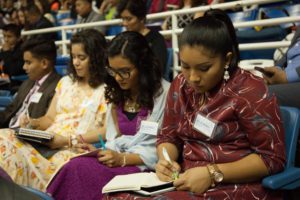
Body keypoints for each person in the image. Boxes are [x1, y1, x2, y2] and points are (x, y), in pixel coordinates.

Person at [106, 9, 285, 199]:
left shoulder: (249, 90)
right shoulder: (180, 85)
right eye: (185, 66)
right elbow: (167, 137)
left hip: (235, 185)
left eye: (204, 68)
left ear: (227, 59)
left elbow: (271, 159)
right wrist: (166, 160)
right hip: (186, 180)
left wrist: (212, 173)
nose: (193, 78)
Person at [46, 31, 170, 200]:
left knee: (82, 171)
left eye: (125, 71)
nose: (118, 78)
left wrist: (122, 158)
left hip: (143, 167)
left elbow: (161, 148)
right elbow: (114, 139)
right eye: (113, 71)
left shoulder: (165, 94)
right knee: (74, 165)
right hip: (118, 160)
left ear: (143, 65)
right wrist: (101, 151)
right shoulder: (117, 92)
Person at [0, 29, 108, 191]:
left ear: (97, 58)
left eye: (82, 58)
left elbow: (106, 131)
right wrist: (34, 123)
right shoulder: (65, 82)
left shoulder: (106, 90)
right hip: (48, 140)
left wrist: (69, 140)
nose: (76, 62)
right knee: (4, 135)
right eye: (73, 57)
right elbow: (50, 119)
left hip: (73, 147)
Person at [0, 37, 60, 128]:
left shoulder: (58, 87)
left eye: (28, 63)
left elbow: (48, 124)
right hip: (7, 130)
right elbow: (10, 111)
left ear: (44, 63)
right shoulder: (28, 82)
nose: (24, 67)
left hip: (26, 137)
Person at [118, 0, 168, 78]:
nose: (124, 23)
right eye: (123, 19)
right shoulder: (123, 39)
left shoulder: (156, 39)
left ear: (141, 18)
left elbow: (159, 68)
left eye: (128, 19)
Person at [264, 27, 300, 109]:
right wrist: (277, 68)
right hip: (288, 75)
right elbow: (289, 51)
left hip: (293, 78)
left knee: (255, 93)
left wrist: (287, 77)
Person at [0, 24, 26, 91]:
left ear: (18, 37)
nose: (6, 40)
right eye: (4, 36)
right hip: (6, 82)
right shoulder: (7, 49)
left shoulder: (23, 50)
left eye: (9, 37)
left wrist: (6, 53)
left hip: (19, 84)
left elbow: (14, 71)